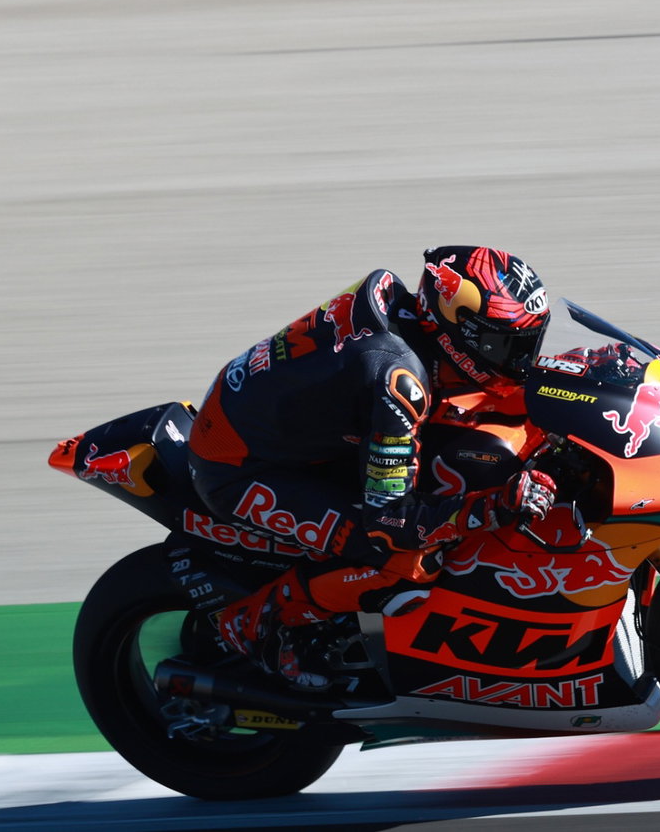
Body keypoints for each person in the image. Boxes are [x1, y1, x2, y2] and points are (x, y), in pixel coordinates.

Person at [187, 245, 559, 689]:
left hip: (288, 427)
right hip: (240, 468)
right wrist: (492, 506)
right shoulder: (398, 380)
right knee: (403, 560)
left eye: (527, 344)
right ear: (454, 334)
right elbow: (390, 520)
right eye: (504, 346)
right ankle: (256, 626)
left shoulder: (407, 314)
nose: (520, 362)